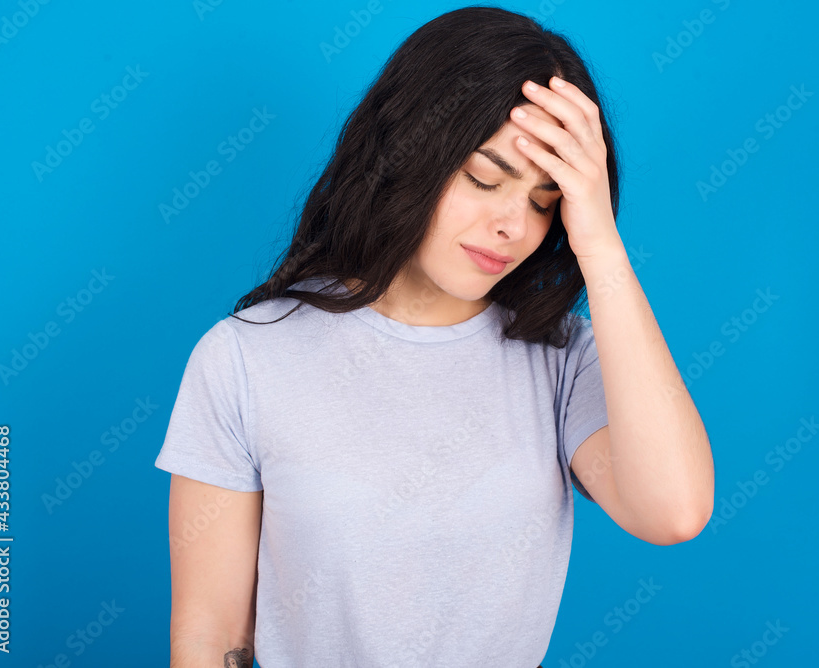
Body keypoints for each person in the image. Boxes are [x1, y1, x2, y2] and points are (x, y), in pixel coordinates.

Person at [156, 6, 713, 667]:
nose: (513, 224)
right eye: (486, 177)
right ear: (408, 153)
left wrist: (598, 240)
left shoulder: (562, 360)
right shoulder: (245, 357)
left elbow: (674, 511)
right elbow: (211, 636)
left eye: (544, 201)